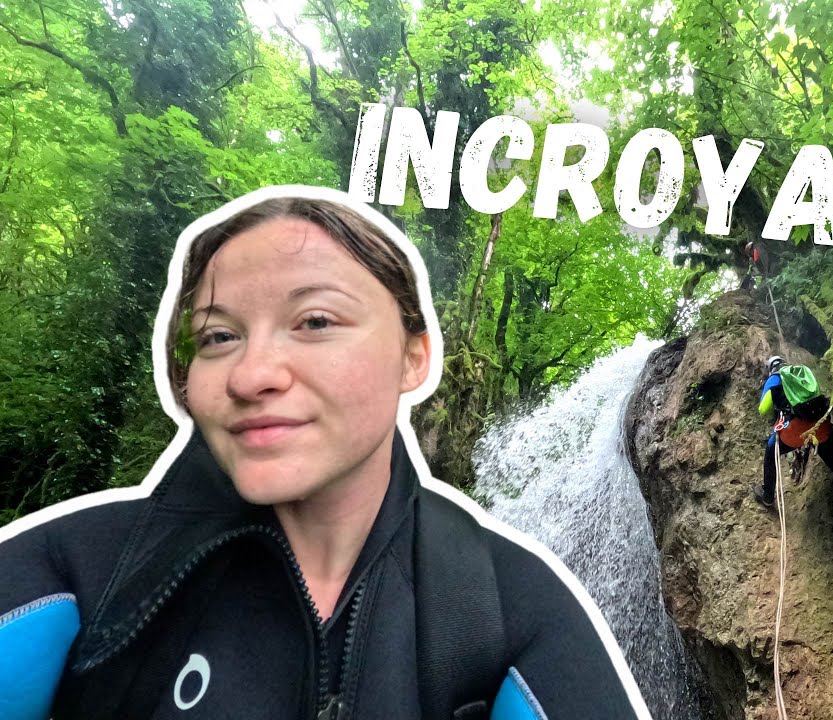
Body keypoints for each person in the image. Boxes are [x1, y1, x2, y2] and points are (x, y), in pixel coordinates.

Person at [0, 186, 651, 720]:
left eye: (314, 321)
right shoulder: (82, 574)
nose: (250, 374)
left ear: (414, 356)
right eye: (218, 336)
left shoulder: (504, 612)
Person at [753, 355, 833, 515]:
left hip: (794, 433)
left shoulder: (774, 379)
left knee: (770, 451)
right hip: (820, 427)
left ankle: (767, 495)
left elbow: (763, 409)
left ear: (771, 369)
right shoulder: (802, 372)